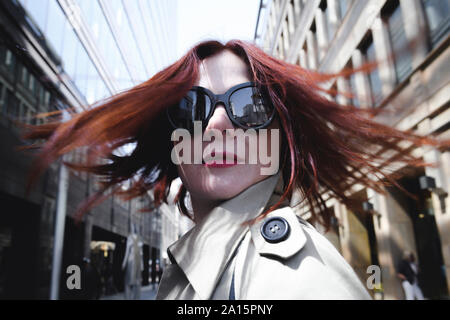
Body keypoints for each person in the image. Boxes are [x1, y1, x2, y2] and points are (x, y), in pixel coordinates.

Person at [22, 40, 449, 299]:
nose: (217, 124)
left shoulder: (290, 279)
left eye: (250, 104)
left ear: (279, 136)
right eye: (192, 107)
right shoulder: (196, 267)